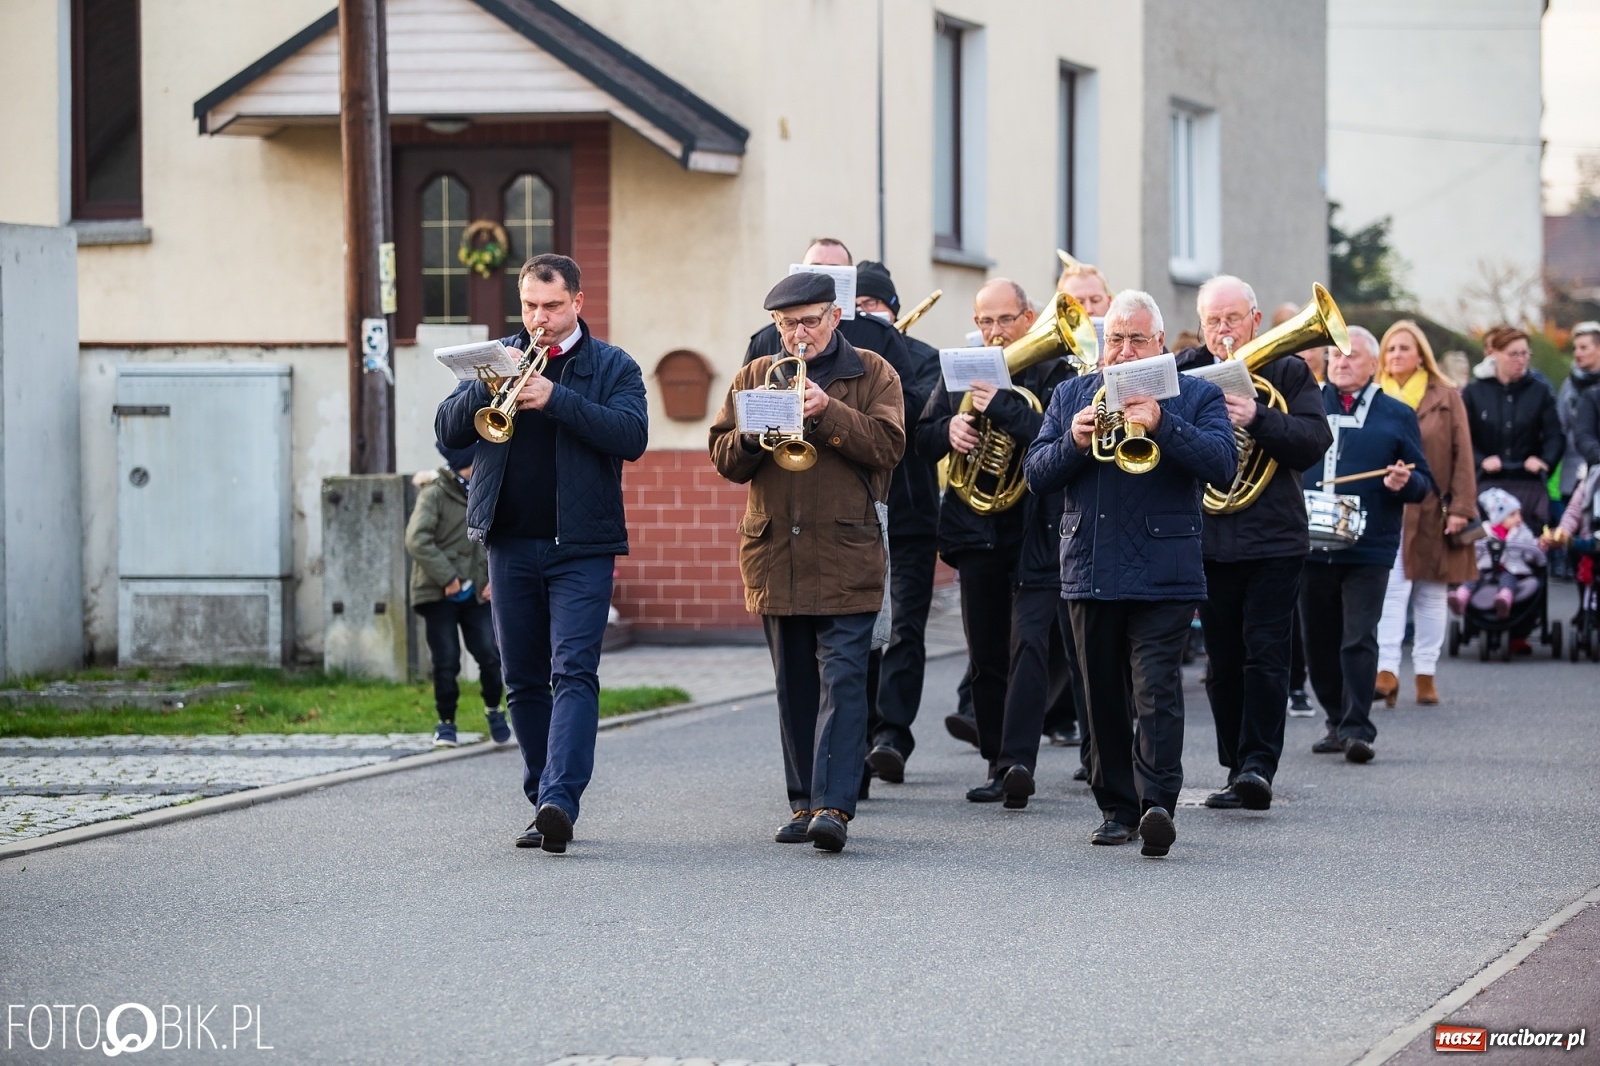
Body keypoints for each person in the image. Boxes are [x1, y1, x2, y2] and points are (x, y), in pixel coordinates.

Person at [435, 253, 648, 855]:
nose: (539, 318)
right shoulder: (497, 355)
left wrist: (554, 398)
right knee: (522, 678)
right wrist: (483, 383)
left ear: (577, 303)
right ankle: (541, 799)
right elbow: (449, 432)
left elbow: (631, 437)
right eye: (530, 305)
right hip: (508, 541)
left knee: (573, 670)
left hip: (582, 546)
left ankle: (560, 798)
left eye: (552, 306)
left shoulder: (612, 365)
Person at [1023, 290, 1236, 856]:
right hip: (1089, 567)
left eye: (1136, 338)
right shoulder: (1070, 394)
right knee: (1101, 698)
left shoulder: (1197, 395)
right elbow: (1036, 475)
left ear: (1160, 343)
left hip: (1166, 568)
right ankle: (1116, 808)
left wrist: (1164, 424)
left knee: (1157, 689)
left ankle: (1158, 804)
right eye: (1114, 338)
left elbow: (1222, 466)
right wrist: (1073, 439)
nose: (1123, 350)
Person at [709, 271, 905, 853]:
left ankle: (834, 807)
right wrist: (752, 434)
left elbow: (891, 447)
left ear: (835, 317)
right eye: (786, 324)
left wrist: (827, 415)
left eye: (809, 322)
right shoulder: (753, 375)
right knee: (793, 684)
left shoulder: (872, 372)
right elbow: (723, 455)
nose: (798, 335)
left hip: (847, 551)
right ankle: (802, 802)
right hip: (776, 551)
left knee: (843, 682)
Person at [918, 278, 1076, 810]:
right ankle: (994, 762)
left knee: (1029, 644)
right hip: (976, 529)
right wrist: (949, 434)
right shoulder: (963, 366)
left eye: (1004, 320)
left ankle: (1018, 763)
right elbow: (921, 435)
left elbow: (1056, 439)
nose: (993, 332)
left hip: (1036, 531)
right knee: (986, 651)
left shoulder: (1057, 369)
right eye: (984, 321)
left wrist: (1004, 407)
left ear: (1030, 318)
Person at [1177, 277, 1331, 812]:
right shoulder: (1185, 369)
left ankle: (1259, 767)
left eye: (1232, 320)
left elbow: (1314, 441)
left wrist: (1257, 417)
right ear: (1201, 324)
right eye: (1213, 321)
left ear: (1256, 321)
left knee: (1266, 656)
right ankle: (1233, 766)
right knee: (1221, 661)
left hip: (1273, 539)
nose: (1222, 332)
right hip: (1208, 538)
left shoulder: (1287, 370)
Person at [1301, 327, 1433, 765]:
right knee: (1318, 640)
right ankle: (1336, 721)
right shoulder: (1304, 405)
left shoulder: (1396, 413)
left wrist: (1404, 481)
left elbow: (1422, 482)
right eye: (1334, 355)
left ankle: (1358, 728)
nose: (1341, 362)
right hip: (1309, 544)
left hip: (1368, 547)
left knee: (1358, 637)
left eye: (1353, 356)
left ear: (1373, 364)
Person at [852, 260, 943, 784]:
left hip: (910, 515)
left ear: (893, 309)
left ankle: (892, 736)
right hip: (859, 515)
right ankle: (857, 739)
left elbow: (919, 427)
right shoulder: (837, 360)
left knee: (905, 628)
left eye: (876, 306)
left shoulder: (923, 359)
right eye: (859, 306)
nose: (868, 314)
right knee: (861, 630)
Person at [1372, 321, 1478, 707]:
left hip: (1434, 507)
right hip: (1388, 508)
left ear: (1421, 355)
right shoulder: (1373, 393)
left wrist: (1462, 508)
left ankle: (1425, 674)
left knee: (1432, 593)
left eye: (1404, 348)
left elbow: (1462, 455)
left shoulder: (1446, 396)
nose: (1396, 355)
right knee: (1392, 591)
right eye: (1391, 349)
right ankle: (1386, 672)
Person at [405, 440, 508, 749]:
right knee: (446, 661)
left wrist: (493, 580)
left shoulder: (486, 490)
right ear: (469, 462)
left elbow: (497, 537)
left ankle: (494, 711)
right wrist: (448, 578)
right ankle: (446, 724)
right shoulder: (435, 493)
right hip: (439, 593)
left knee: (490, 656)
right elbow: (416, 539)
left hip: (477, 592)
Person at [1462, 326, 1563, 527]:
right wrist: (1481, 460)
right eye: (1513, 354)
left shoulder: (1540, 390)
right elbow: (1463, 438)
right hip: (1486, 483)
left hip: (1529, 483)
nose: (1521, 360)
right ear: (1495, 354)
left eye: (1525, 353)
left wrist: (1545, 461)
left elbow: (1556, 436)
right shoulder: (1474, 392)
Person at [1450, 488, 1545, 618]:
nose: (1519, 519)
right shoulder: (1485, 531)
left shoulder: (1522, 532)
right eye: (1512, 515)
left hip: (1511, 569)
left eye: (1519, 514)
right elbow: (1474, 553)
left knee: (1508, 578)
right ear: (1498, 518)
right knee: (1473, 576)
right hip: (1486, 570)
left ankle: (1504, 599)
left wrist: (1539, 546)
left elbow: (1530, 554)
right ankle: (1460, 597)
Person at [1557, 321, 1600, 501]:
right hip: (1573, 474)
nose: (1577, 353)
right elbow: (1560, 425)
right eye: (1575, 348)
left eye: (1583, 347)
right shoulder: (1569, 386)